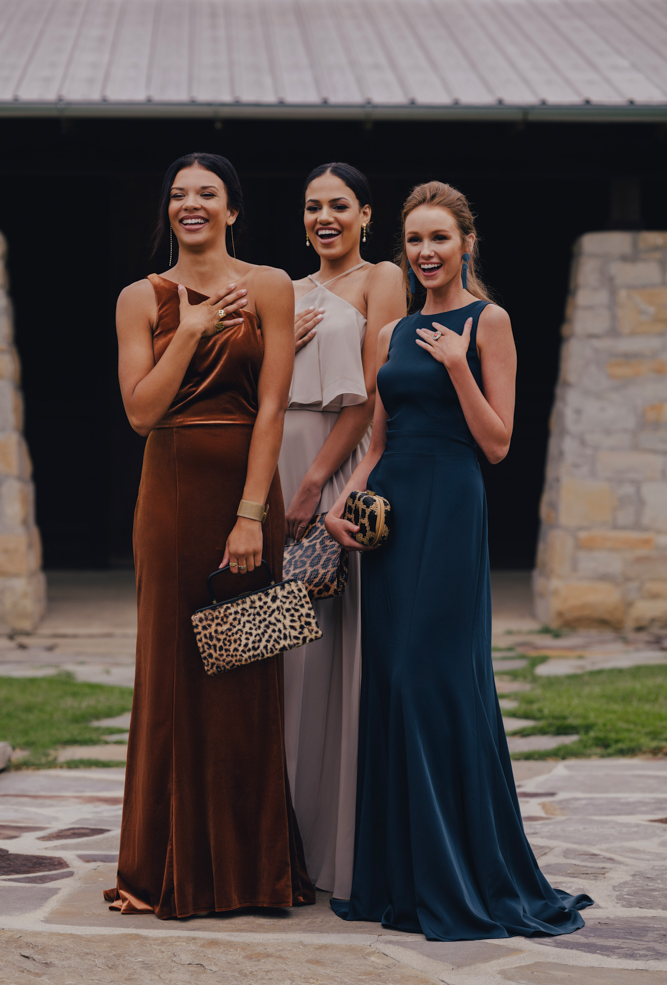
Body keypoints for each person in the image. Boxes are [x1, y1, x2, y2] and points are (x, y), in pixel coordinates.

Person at [325, 181, 593, 939]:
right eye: (414, 241)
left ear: (465, 243)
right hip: (391, 514)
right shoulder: (391, 333)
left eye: (439, 238)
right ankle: (400, 879)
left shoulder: (489, 321)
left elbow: (498, 443)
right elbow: (376, 440)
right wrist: (348, 502)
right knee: (388, 679)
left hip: (451, 502)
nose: (425, 253)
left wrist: (456, 366)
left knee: (428, 676)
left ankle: (461, 872)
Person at [105, 152, 314, 919]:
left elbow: (274, 406)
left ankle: (253, 872)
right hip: (166, 502)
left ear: (232, 211)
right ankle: (161, 869)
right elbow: (140, 412)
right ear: (168, 210)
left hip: (248, 497)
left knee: (246, 675)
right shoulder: (139, 298)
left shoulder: (269, 286)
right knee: (170, 674)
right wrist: (188, 331)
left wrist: (253, 513)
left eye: (208, 194)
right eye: (179, 194)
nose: (190, 203)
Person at [278, 163, 405, 900]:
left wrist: (314, 481)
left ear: (363, 214)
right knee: (288, 654)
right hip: (279, 467)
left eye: (337, 207)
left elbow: (371, 389)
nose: (323, 217)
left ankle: (342, 850)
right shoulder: (285, 292)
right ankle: (284, 839)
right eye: (311, 208)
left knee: (341, 642)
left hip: (338, 470)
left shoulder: (378, 277)